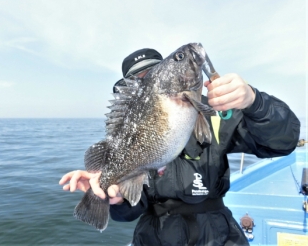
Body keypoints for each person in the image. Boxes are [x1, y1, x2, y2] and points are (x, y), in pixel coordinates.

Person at [59, 47, 300, 246]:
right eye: (135, 85)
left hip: (218, 234)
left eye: (151, 75)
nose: (143, 89)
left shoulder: (216, 114)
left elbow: (283, 143)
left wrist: (254, 102)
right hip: (155, 234)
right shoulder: (130, 134)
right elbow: (131, 212)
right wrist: (118, 200)